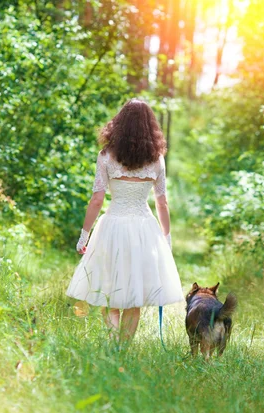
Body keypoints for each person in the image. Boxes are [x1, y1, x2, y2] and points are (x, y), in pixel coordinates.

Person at [66, 99, 183, 344]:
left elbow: (97, 199)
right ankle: (124, 348)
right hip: (144, 228)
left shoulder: (106, 156)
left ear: (119, 124)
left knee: (110, 289)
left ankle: (112, 345)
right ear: (149, 126)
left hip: (113, 225)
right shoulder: (156, 159)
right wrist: (167, 239)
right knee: (134, 294)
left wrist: (84, 235)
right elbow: (162, 202)